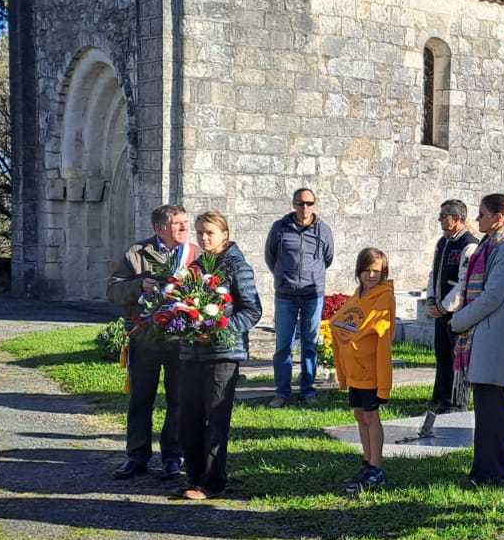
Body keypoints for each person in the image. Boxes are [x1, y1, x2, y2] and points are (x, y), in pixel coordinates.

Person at [177, 211, 262, 500]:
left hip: (223, 353)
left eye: (210, 233)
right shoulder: (197, 265)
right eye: (200, 232)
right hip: (192, 353)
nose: (204, 238)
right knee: (187, 417)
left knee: (215, 419)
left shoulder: (237, 266)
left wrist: (219, 330)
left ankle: (212, 482)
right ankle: (194, 476)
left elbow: (252, 310)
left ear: (224, 234)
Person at [106, 202, 192, 481]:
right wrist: (138, 285)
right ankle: (136, 457)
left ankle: (172, 457)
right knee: (141, 400)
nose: (184, 228)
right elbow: (113, 291)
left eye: (185, 222)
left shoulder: (195, 254)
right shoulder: (137, 253)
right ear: (159, 228)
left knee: (178, 400)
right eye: (177, 223)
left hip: (181, 340)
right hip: (145, 340)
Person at [448, 192, 504, 484]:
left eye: (482, 214)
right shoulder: (490, 245)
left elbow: (492, 296)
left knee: (491, 409)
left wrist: (459, 320)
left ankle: (493, 470)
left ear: (498, 218)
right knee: (486, 408)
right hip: (484, 334)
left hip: (492, 337)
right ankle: (485, 468)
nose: (478, 219)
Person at [331, 247, 395, 494]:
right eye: (366, 270)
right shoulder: (358, 295)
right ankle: (367, 462)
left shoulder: (384, 296)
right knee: (360, 415)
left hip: (370, 369)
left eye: (376, 271)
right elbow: (344, 317)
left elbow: (377, 328)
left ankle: (376, 467)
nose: (371, 275)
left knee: (371, 416)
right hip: (355, 368)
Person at [264, 187, 335, 408]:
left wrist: (312, 275)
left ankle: (308, 391)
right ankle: (282, 392)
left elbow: (328, 258)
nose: (305, 208)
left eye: (309, 203)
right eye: (300, 203)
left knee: (310, 345)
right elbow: (270, 256)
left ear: (315, 205)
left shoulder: (323, 230)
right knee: (283, 345)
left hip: (313, 294)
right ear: (294, 204)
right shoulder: (279, 228)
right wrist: (283, 276)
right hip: (285, 295)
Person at [424, 200, 477, 410]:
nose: (440, 220)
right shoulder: (443, 242)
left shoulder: (469, 244)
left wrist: (445, 306)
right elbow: (434, 274)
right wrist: (431, 300)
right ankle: (442, 395)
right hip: (440, 310)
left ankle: (457, 401)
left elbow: (464, 282)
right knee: (443, 353)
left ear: (456, 218)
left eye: (443, 216)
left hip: (457, 312)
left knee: (457, 356)